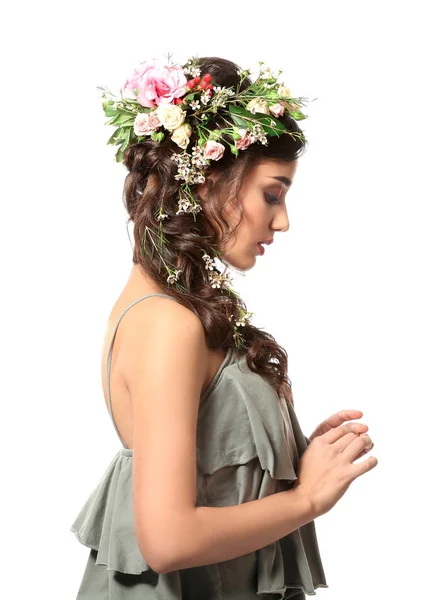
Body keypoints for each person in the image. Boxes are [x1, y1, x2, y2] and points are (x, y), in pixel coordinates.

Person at [70, 55, 378, 599]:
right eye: (273, 193)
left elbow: (208, 463)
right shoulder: (167, 322)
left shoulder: (171, 307)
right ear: (209, 180)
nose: (282, 220)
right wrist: (306, 499)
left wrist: (286, 455)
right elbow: (166, 539)